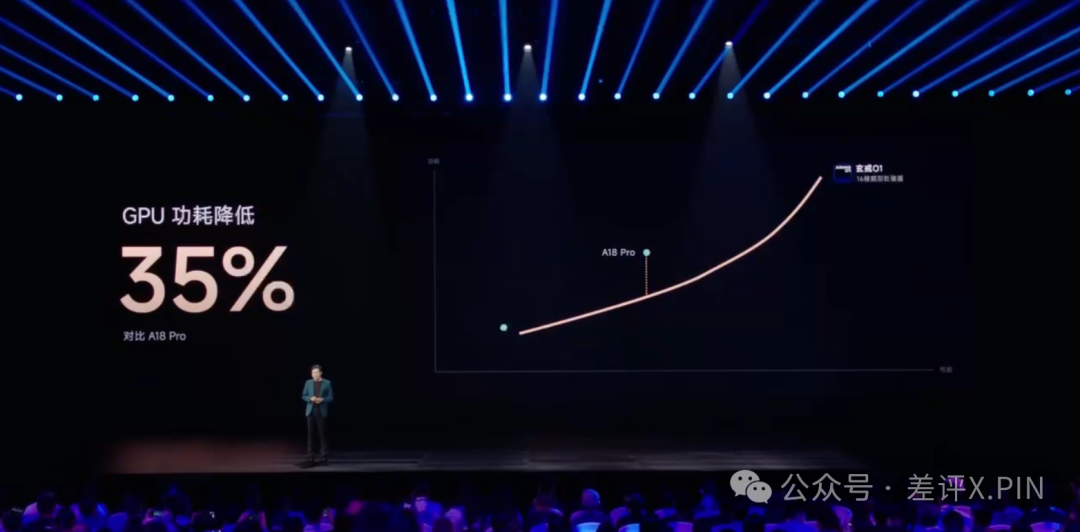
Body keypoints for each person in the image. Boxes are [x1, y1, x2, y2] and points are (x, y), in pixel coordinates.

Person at [302, 364, 334, 463]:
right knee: (310, 434)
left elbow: (331, 397)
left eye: (316, 372)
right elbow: (303, 395)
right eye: (313, 373)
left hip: (321, 411)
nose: (314, 374)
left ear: (321, 373)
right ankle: (311, 455)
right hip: (310, 411)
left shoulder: (327, 383)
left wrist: (322, 399)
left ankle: (324, 455)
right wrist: (310, 398)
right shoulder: (308, 382)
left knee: (322, 434)